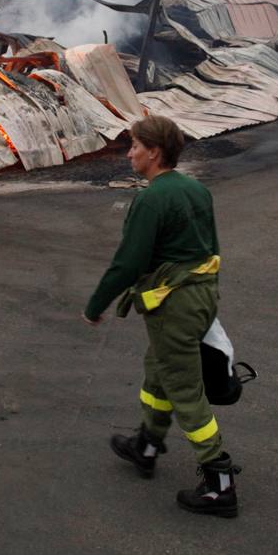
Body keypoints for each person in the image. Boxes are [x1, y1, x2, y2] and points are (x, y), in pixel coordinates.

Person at [82, 115, 241, 518]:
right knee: (158, 372)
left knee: (185, 389)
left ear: (154, 151)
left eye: (134, 145)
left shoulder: (152, 199)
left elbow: (129, 262)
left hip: (174, 304)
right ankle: (147, 446)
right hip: (201, 296)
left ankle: (219, 482)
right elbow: (211, 248)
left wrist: (96, 304)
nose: (129, 153)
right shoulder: (196, 190)